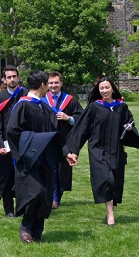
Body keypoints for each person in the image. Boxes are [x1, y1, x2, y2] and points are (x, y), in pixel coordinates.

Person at [6, 70, 71, 243]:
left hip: (46, 158)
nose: (49, 88)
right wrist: (26, 152)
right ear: (43, 85)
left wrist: (66, 153)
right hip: (29, 159)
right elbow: (12, 132)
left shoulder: (44, 107)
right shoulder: (23, 105)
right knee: (35, 192)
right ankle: (26, 226)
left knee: (46, 194)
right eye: (47, 84)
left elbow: (53, 134)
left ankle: (38, 230)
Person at [66, 77, 139, 227]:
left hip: (116, 150)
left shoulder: (122, 107)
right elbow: (82, 129)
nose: (104, 91)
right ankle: (110, 215)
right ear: (98, 91)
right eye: (102, 88)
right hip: (98, 149)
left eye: (107, 87)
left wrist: (129, 128)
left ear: (112, 88)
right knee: (106, 179)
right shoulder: (94, 107)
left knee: (114, 180)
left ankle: (110, 211)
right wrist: (73, 150)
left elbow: (129, 123)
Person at [0, 65, 25, 218]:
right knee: (5, 177)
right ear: (4, 79)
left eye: (14, 76)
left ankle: (22, 207)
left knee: (23, 177)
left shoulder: (25, 95)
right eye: (9, 77)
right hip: (5, 144)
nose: (12, 79)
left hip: (23, 143)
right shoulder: (0, 97)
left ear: (18, 77)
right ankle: (9, 209)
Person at [44, 71, 82, 209]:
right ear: (47, 84)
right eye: (51, 83)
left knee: (62, 170)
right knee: (50, 169)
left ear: (61, 83)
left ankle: (57, 196)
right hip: (47, 141)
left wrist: (69, 118)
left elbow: (81, 118)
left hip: (65, 140)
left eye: (56, 82)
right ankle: (53, 197)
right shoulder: (42, 99)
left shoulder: (70, 100)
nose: (53, 85)